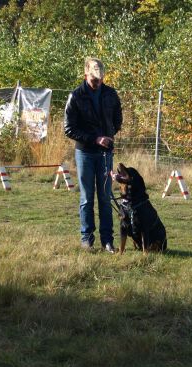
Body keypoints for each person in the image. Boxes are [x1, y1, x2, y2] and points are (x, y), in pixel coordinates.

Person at [64, 57, 123, 253]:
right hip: (85, 153)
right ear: (85, 75)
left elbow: (118, 118)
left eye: (100, 79)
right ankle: (87, 239)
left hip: (105, 154)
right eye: (94, 79)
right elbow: (69, 129)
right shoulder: (75, 96)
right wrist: (95, 139)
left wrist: (109, 136)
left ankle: (107, 241)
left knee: (105, 198)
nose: (98, 82)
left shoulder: (110, 94)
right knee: (87, 198)